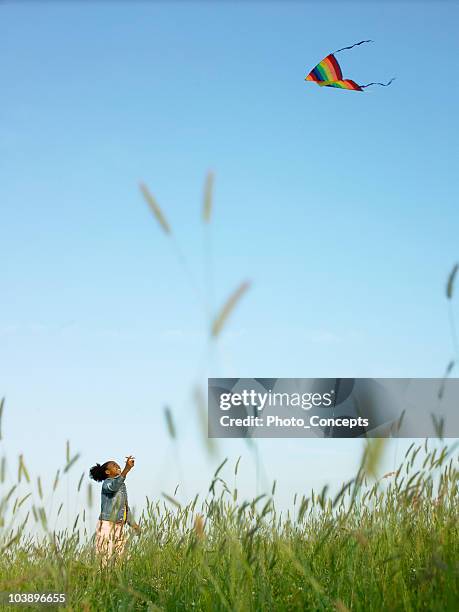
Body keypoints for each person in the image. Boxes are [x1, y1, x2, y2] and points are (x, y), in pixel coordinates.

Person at [89, 455, 140, 566]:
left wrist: (134, 525)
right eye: (113, 465)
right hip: (107, 526)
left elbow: (125, 507)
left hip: (119, 527)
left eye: (117, 464)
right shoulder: (107, 484)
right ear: (107, 472)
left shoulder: (121, 485)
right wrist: (127, 469)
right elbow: (113, 487)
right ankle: (103, 581)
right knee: (104, 560)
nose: (117, 465)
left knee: (122, 560)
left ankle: (116, 582)